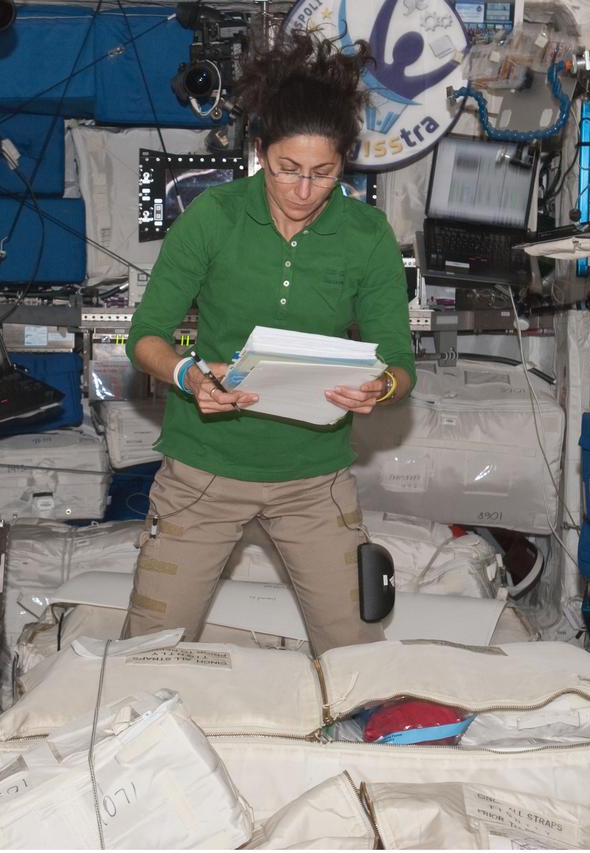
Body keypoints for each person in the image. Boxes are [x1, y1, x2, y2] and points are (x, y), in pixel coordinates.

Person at [122, 28, 415, 655]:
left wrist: (381, 387)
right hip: (203, 472)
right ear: (259, 152)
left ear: (345, 163)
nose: (303, 190)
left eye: (323, 173)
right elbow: (146, 335)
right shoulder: (214, 217)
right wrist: (187, 376)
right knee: (148, 649)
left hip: (314, 480)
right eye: (287, 170)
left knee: (356, 655)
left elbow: (400, 359)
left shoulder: (366, 235)